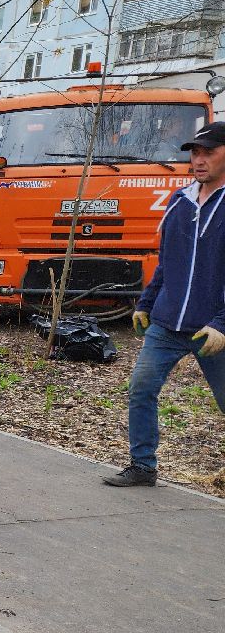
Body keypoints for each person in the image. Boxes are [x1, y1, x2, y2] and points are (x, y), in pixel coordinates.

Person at [105, 121, 225, 487]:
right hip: (168, 323)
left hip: (213, 329)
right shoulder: (180, 200)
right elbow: (166, 260)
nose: (198, 160)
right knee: (141, 388)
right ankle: (143, 466)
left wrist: (223, 323)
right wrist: (146, 302)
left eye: (208, 152)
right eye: (195, 152)